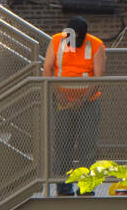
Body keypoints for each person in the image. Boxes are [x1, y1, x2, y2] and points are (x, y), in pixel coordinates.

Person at [42, 16, 106, 195]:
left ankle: (86, 187)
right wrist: (59, 95)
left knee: (88, 146)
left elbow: (99, 76)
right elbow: (47, 69)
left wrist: (84, 99)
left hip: (88, 103)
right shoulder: (56, 41)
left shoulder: (96, 45)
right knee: (62, 144)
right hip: (63, 103)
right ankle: (63, 186)